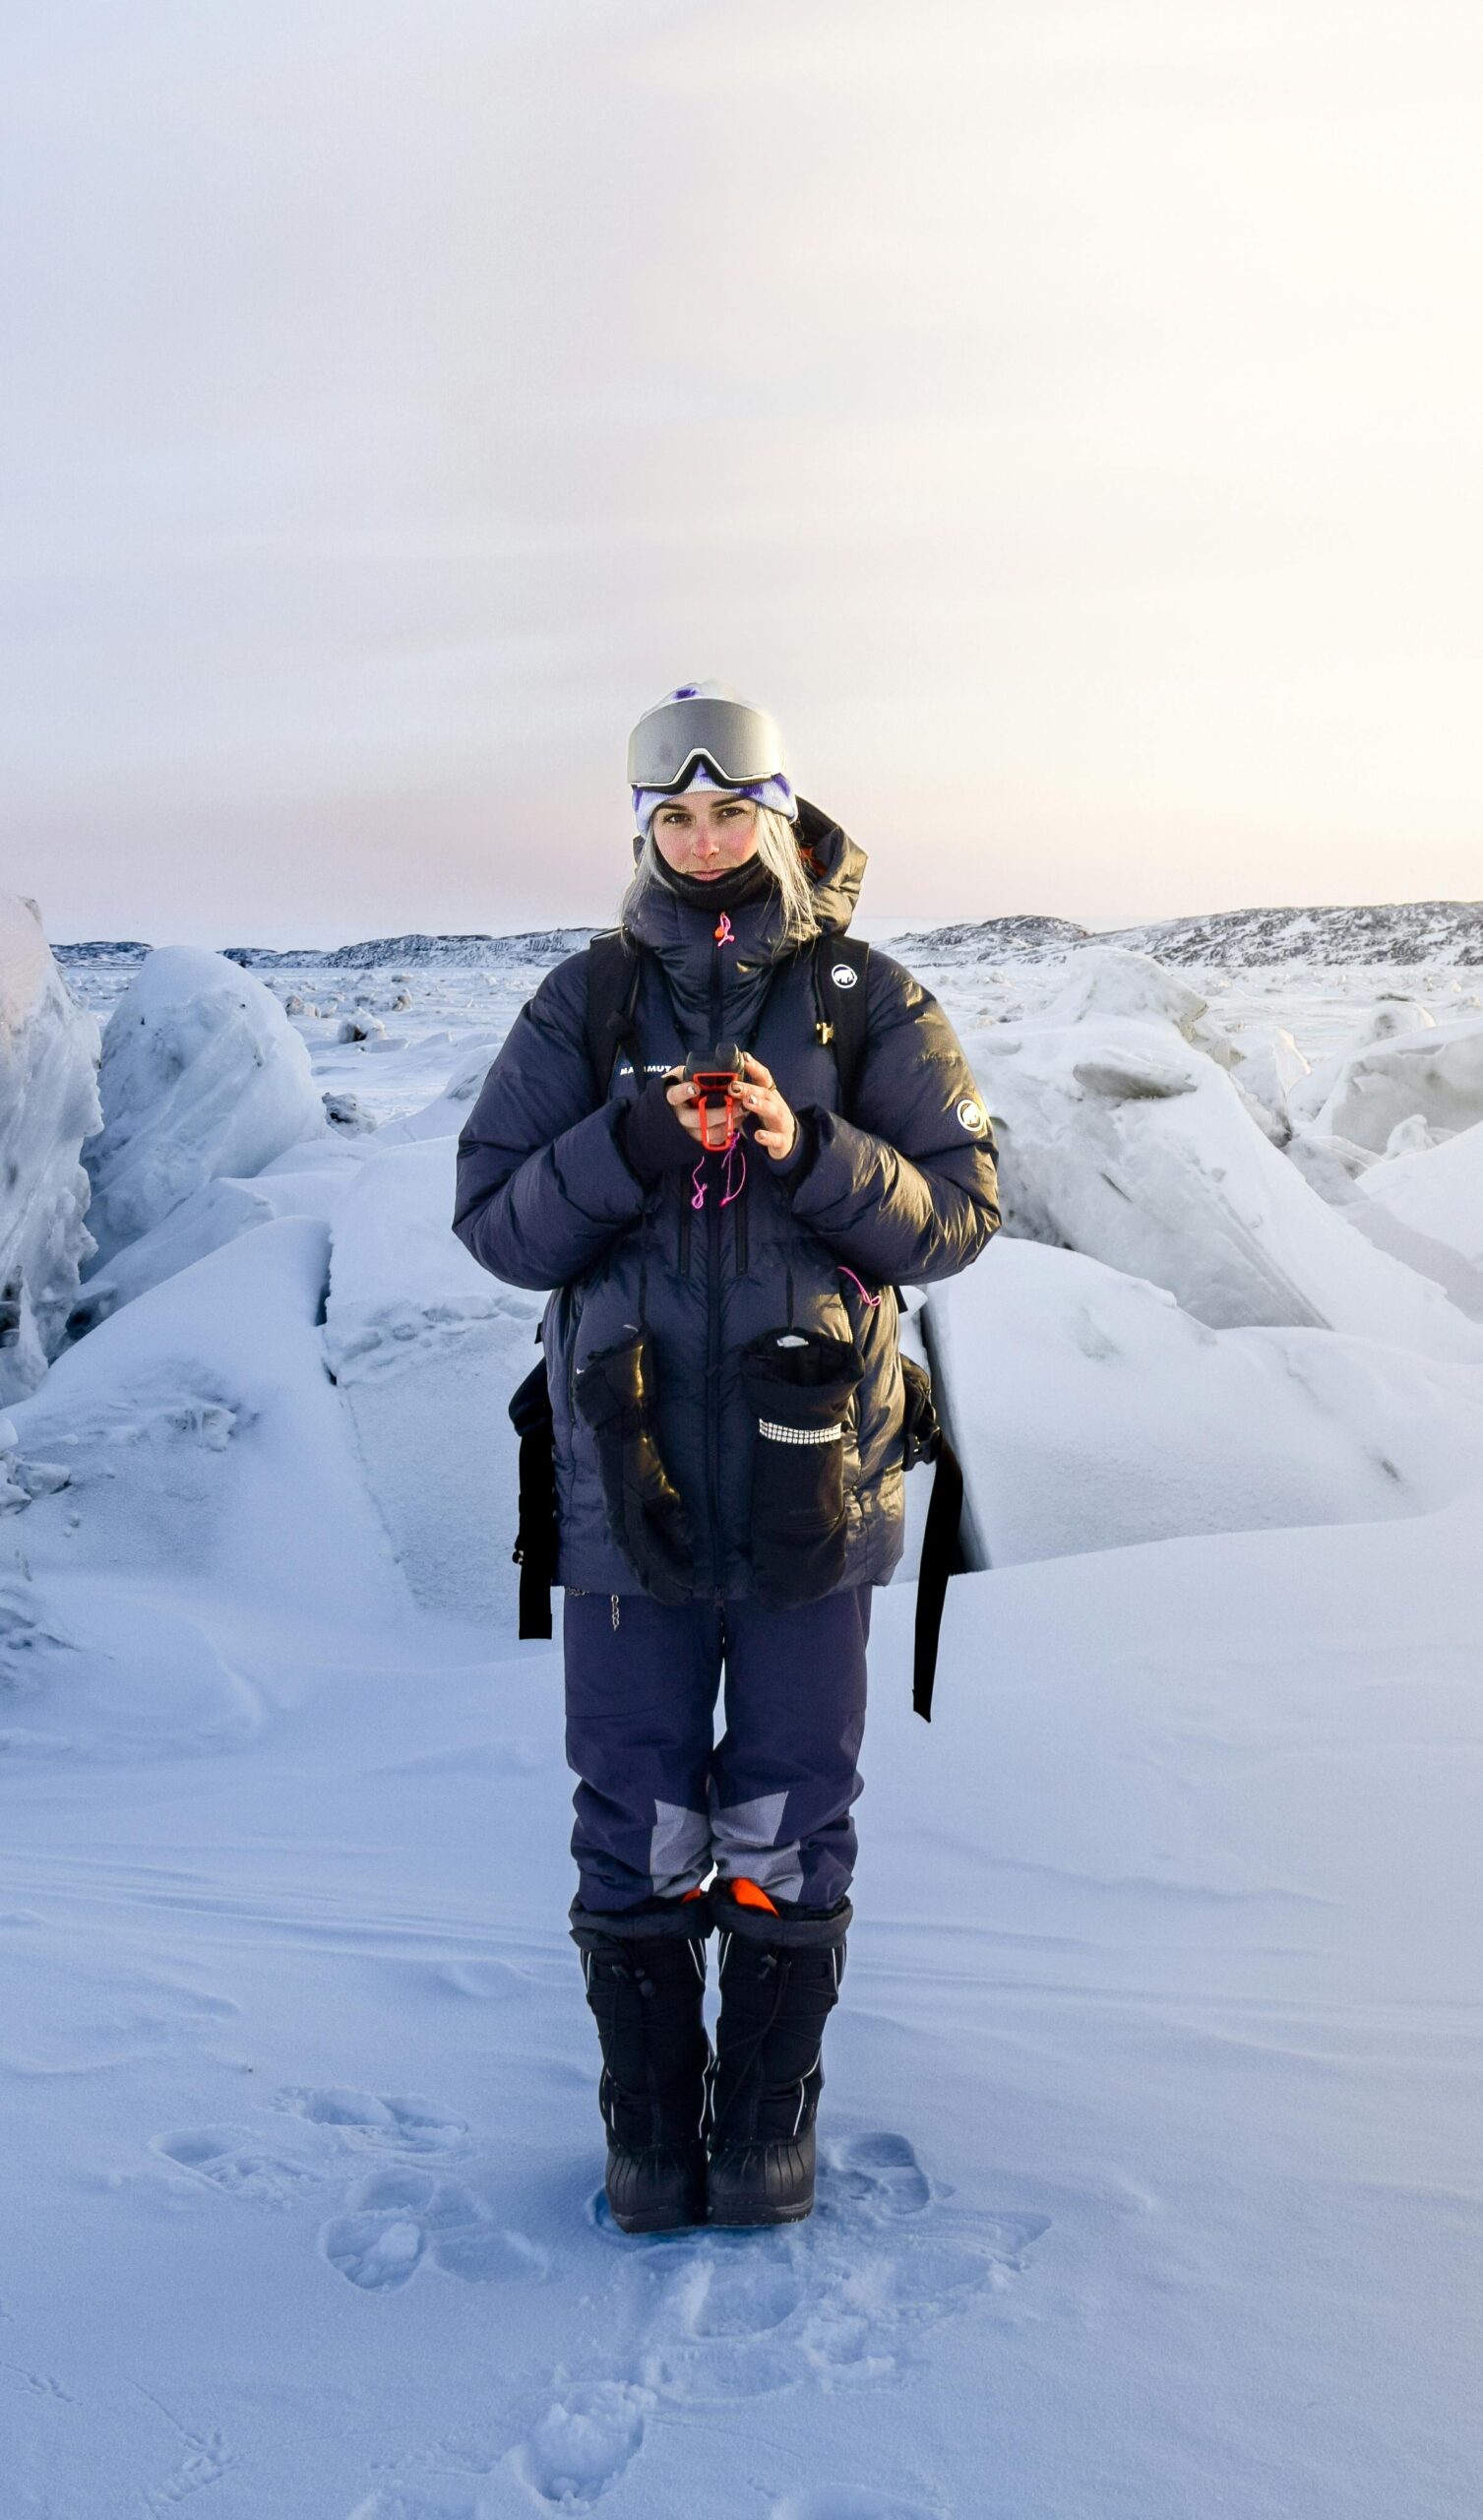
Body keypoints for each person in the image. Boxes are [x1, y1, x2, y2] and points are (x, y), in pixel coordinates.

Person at [453, 681, 999, 2234]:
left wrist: (804, 1148)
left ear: (778, 809)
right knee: (632, 1803)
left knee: (789, 1801)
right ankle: (650, 2136)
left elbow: (960, 1212)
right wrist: (630, 1143)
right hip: (623, 1491)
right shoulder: (584, 1005)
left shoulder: (865, 1000)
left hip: (813, 1476)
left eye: (728, 809)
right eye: (672, 816)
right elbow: (496, 1225)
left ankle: (762, 2128)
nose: (702, 839)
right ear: (643, 827)